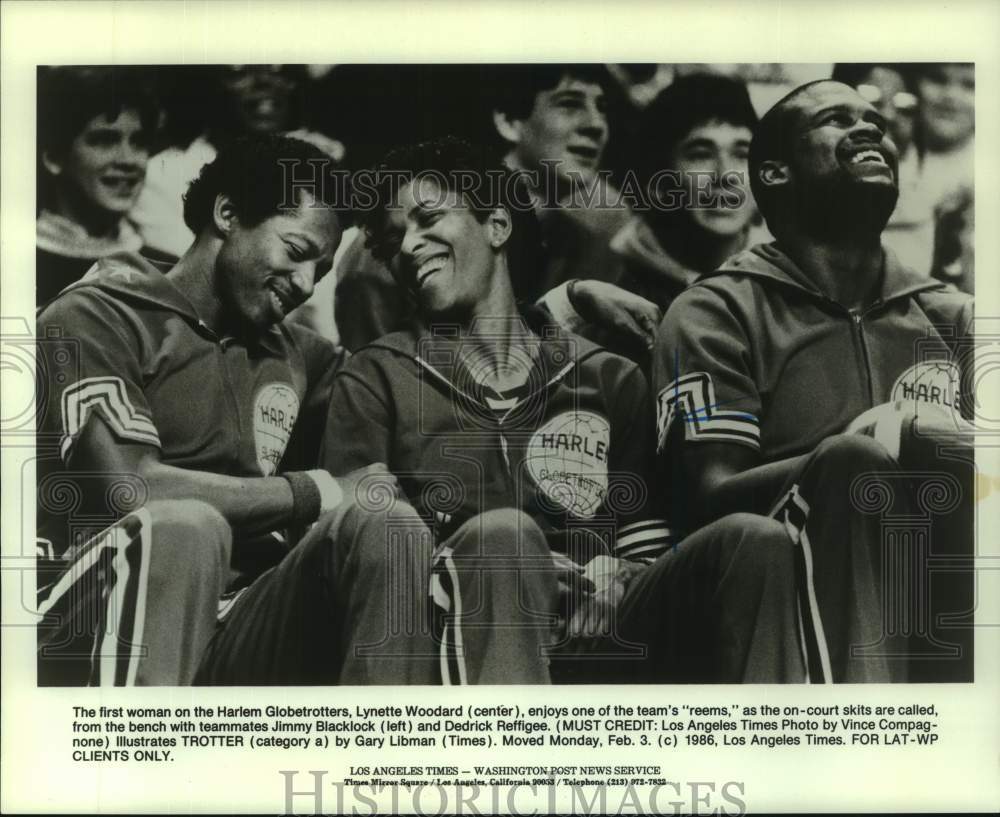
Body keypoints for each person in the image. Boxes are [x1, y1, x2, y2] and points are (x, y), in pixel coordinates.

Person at [323, 136, 809, 684]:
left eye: (429, 218)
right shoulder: (376, 375)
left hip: (599, 628)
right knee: (503, 541)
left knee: (755, 541)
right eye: (393, 240)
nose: (410, 245)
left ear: (497, 225)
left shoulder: (608, 376)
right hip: (453, 636)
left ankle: (778, 750)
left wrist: (620, 572)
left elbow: (643, 538)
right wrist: (508, 568)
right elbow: (359, 550)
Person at [36, 134, 429, 686]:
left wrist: (560, 307)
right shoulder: (95, 315)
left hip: (238, 613)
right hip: (87, 609)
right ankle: (135, 762)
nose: (303, 285)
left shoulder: (298, 354)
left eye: (320, 271)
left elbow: (422, 391)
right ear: (227, 214)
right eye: (295, 253)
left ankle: (377, 761)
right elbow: (132, 488)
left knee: (385, 522)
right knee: (186, 527)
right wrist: (311, 491)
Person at [653, 80, 975, 682]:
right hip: (769, 596)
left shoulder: (955, 316)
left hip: (931, 582)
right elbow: (708, 496)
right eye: (836, 119)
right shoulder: (716, 310)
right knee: (856, 461)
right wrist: (870, 446)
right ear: (773, 173)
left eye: (875, 124)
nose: (869, 131)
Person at [542, 73, 761, 367]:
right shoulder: (605, 285)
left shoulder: (786, 279)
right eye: (700, 153)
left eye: (741, 153)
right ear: (658, 183)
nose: (725, 175)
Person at [36, 67, 161, 305]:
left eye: (139, 142)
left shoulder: (164, 269)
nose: (128, 160)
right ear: (54, 157)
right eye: (104, 141)